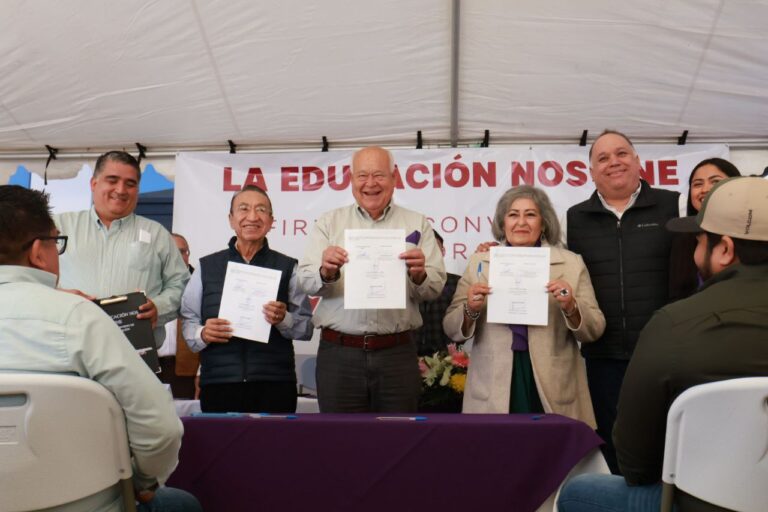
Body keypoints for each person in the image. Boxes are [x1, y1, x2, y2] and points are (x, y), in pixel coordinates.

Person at [558, 176, 768, 512]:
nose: (695, 250)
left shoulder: (674, 324)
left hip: (702, 502)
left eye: (699, 240)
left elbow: (635, 464)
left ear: (725, 250)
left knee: (577, 492)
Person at [0, 185, 201, 512]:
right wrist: (143, 482)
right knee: (181, 504)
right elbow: (161, 429)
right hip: (85, 502)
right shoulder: (81, 319)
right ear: (38, 252)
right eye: (57, 243)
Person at [298, 146, 446, 413]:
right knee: (340, 435)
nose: (370, 183)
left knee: (398, 435)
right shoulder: (329, 223)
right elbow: (305, 281)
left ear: (394, 177)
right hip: (339, 354)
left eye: (378, 175)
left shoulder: (417, 222)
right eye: (362, 175)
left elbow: (434, 288)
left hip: (397, 355)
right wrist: (325, 272)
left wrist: (419, 275)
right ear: (351, 179)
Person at [565, 130, 679, 473]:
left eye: (621, 154)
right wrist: (495, 251)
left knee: (666, 443)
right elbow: (548, 260)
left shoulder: (672, 205)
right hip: (603, 356)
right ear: (591, 172)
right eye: (602, 158)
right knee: (614, 447)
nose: (613, 162)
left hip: (662, 353)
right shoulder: (575, 218)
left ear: (638, 161)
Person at [443, 185, 604, 423]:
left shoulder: (571, 263)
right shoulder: (480, 263)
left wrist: (571, 305)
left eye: (530, 214)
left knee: (550, 445)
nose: (521, 222)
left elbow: (595, 329)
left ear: (544, 223)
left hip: (553, 380)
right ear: (503, 223)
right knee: (500, 446)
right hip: (494, 381)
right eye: (513, 215)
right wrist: (470, 309)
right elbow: (451, 328)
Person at [181, 185, 313, 413]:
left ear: (271, 221)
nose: (252, 217)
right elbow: (188, 319)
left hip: (275, 383)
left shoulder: (288, 266)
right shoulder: (207, 266)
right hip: (219, 383)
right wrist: (202, 333)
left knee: (275, 438)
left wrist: (283, 319)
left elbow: (306, 328)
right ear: (231, 219)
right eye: (243, 209)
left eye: (261, 210)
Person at [55, 150, 190, 348]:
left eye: (130, 184)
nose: (121, 190)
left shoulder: (157, 234)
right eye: (112, 180)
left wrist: (158, 308)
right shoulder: (59, 227)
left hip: (136, 353)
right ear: (93, 183)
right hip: (71, 347)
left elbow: (181, 285)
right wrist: (58, 297)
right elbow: (30, 280)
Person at [668, 158, 740, 301]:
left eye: (715, 181)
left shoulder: (752, 234)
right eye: (698, 184)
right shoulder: (682, 237)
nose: (705, 189)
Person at [158, 233, 199, 399]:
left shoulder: (201, 283)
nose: (177, 257)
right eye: (171, 251)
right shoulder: (146, 283)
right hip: (150, 369)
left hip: (188, 370)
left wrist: (202, 372)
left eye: (182, 251)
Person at [412, 230, 461, 357]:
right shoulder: (403, 285)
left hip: (448, 360)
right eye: (422, 248)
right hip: (408, 358)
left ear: (443, 251)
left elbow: (463, 325)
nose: (427, 254)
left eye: (433, 249)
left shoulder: (458, 283)